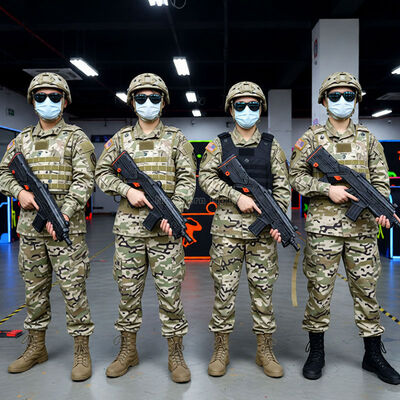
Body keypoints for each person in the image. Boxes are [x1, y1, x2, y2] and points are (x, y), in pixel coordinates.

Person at [289, 71, 400, 385]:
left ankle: (373, 354)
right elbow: (295, 176)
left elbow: (380, 181)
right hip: (323, 231)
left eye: (348, 95)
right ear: (324, 101)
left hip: (362, 231)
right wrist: (328, 189)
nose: (342, 101)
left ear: (357, 100)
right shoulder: (311, 139)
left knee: (367, 292)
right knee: (319, 292)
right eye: (335, 95)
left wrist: (383, 209)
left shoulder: (368, 139)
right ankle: (317, 351)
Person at [95, 73, 196, 383]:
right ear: (132, 102)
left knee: (170, 295)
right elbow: (101, 174)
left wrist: (173, 209)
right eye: (141, 98)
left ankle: (176, 355)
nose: (148, 102)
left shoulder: (177, 139)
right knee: (128, 294)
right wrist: (127, 191)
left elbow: (187, 180)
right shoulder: (120, 139)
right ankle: (128, 351)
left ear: (163, 103)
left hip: (165, 233)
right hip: (129, 233)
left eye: (154, 97)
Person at [0, 72, 96, 381]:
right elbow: (3, 174)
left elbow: (85, 181)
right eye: (40, 97)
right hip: (30, 231)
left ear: (65, 102)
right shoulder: (21, 140)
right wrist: (20, 193)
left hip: (67, 229)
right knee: (34, 292)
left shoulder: (77, 138)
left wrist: (64, 214)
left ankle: (81, 351)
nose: (48, 102)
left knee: (74, 292)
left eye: (55, 97)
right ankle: (36, 347)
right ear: (32, 101)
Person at [198, 81, 290, 378]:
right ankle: (220, 349)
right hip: (227, 234)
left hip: (262, 236)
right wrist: (235, 196)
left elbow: (282, 188)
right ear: (231, 109)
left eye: (253, 105)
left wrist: (278, 221)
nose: (247, 110)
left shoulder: (272, 146)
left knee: (263, 293)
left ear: (261, 109)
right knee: (224, 293)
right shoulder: (219, 144)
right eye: (240, 105)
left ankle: (265, 350)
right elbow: (205, 178)